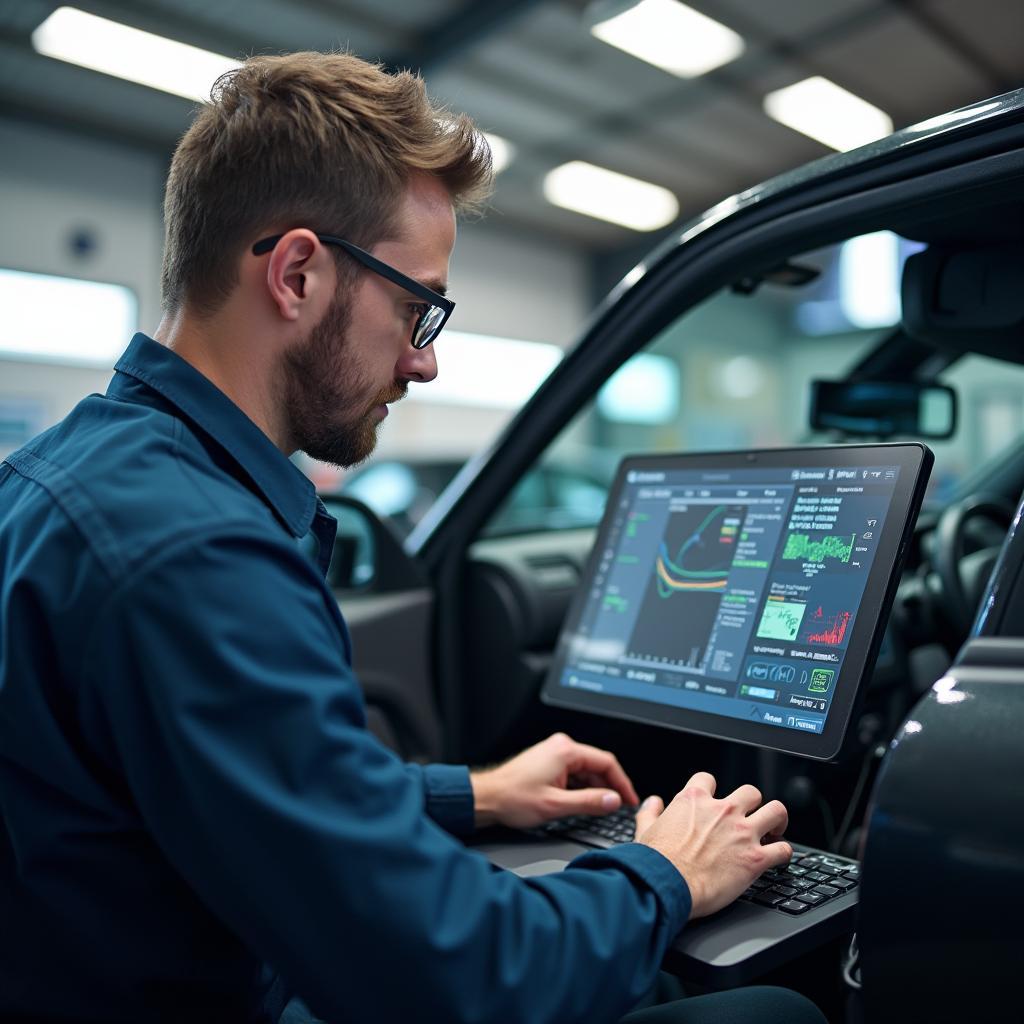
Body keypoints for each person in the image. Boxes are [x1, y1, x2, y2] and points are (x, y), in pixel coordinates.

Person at [0, 52, 825, 1024]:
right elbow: (459, 976)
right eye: (415, 306)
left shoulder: (72, 478)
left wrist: (466, 793)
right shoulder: (194, 555)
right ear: (297, 272)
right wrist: (665, 871)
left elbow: (232, 780)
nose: (424, 361)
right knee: (768, 1013)